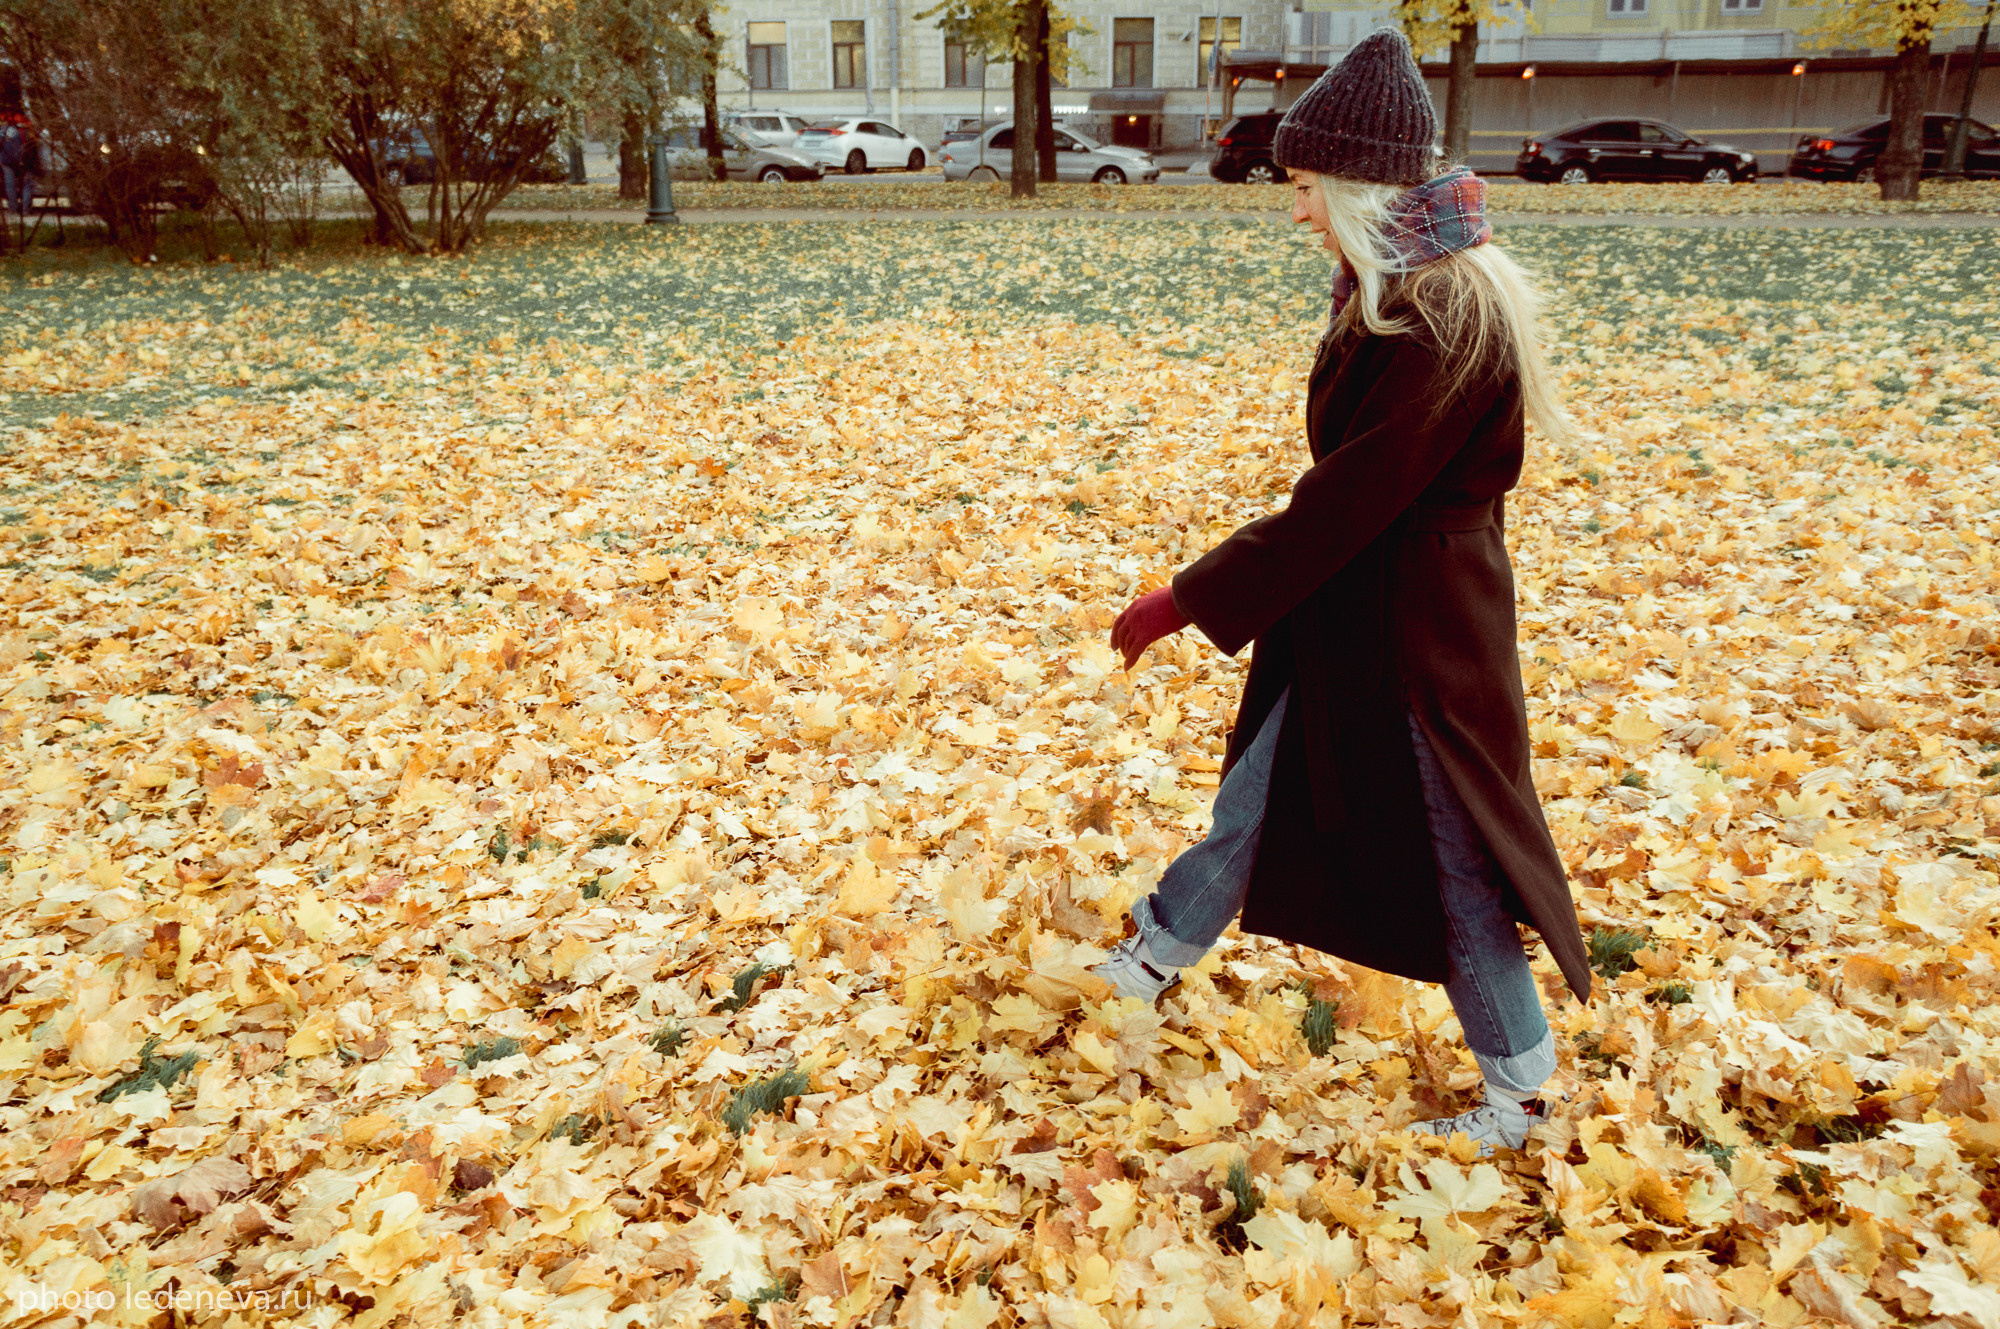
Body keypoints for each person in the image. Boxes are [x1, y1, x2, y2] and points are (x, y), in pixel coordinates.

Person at [1092, 29, 1591, 1157]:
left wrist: (1188, 598)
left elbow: (1348, 498)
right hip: (1355, 608)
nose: (1298, 209)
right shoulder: (1402, 283)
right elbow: (1347, 500)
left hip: (1414, 631)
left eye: (1308, 186)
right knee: (1264, 793)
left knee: (1448, 850)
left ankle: (1519, 1093)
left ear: (1361, 185)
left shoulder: (1441, 311)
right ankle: (1152, 956)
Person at [1, 115, 37, 224]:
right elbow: (33, 147)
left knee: (10, 185)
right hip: (24, 162)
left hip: (6, 161)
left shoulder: (3, 130)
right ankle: (26, 210)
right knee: (27, 184)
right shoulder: (26, 131)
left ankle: (13, 208)